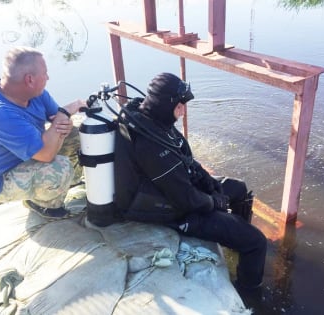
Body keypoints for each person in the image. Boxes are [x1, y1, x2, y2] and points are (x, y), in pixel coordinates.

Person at [112, 72, 267, 308]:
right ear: (166, 104)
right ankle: (248, 296)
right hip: (167, 209)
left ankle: (235, 244)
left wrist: (209, 181)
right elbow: (186, 200)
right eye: (180, 104)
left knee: (239, 189)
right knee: (256, 242)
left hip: (173, 189)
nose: (183, 109)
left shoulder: (154, 122)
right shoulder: (150, 145)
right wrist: (215, 202)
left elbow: (186, 160)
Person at [0, 46, 86, 219]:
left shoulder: (34, 93)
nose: (48, 77)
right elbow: (46, 155)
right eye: (45, 73)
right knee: (60, 168)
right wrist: (64, 115)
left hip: (23, 155)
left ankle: (65, 183)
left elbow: (56, 118)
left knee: (75, 135)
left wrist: (63, 122)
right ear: (29, 80)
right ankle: (42, 204)